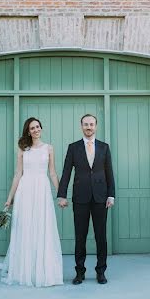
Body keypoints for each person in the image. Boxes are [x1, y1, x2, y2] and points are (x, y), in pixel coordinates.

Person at [0, 117, 63, 287]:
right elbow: (18, 174)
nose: (36, 130)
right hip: (25, 190)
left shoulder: (49, 148)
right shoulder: (23, 149)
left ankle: (41, 269)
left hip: (42, 190)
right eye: (32, 128)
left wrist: (61, 194)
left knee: (41, 226)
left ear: (41, 128)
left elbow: (52, 173)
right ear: (28, 131)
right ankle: (23, 269)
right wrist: (10, 198)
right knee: (25, 227)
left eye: (38, 126)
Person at [57, 113, 115, 285]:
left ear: (96, 126)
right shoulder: (73, 147)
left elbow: (109, 173)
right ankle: (79, 272)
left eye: (91, 124)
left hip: (100, 198)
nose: (89, 127)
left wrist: (111, 195)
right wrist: (62, 194)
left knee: (101, 236)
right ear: (81, 126)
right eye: (85, 124)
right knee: (80, 236)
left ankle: (101, 272)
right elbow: (66, 171)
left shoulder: (104, 147)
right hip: (80, 198)